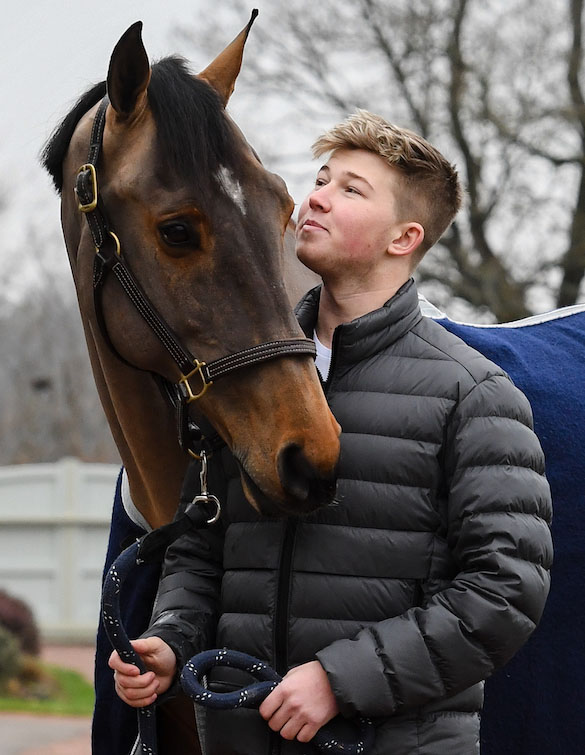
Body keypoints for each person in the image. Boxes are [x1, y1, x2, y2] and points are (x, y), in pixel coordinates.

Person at [109, 110, 553, 754]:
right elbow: (201, 549)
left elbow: (505, 592)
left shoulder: (475, 395)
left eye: (351, 189)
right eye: (322, 178)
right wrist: (172, 642)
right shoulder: (245, 386)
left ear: (404, 238)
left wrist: (339, 681)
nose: (315, 195)